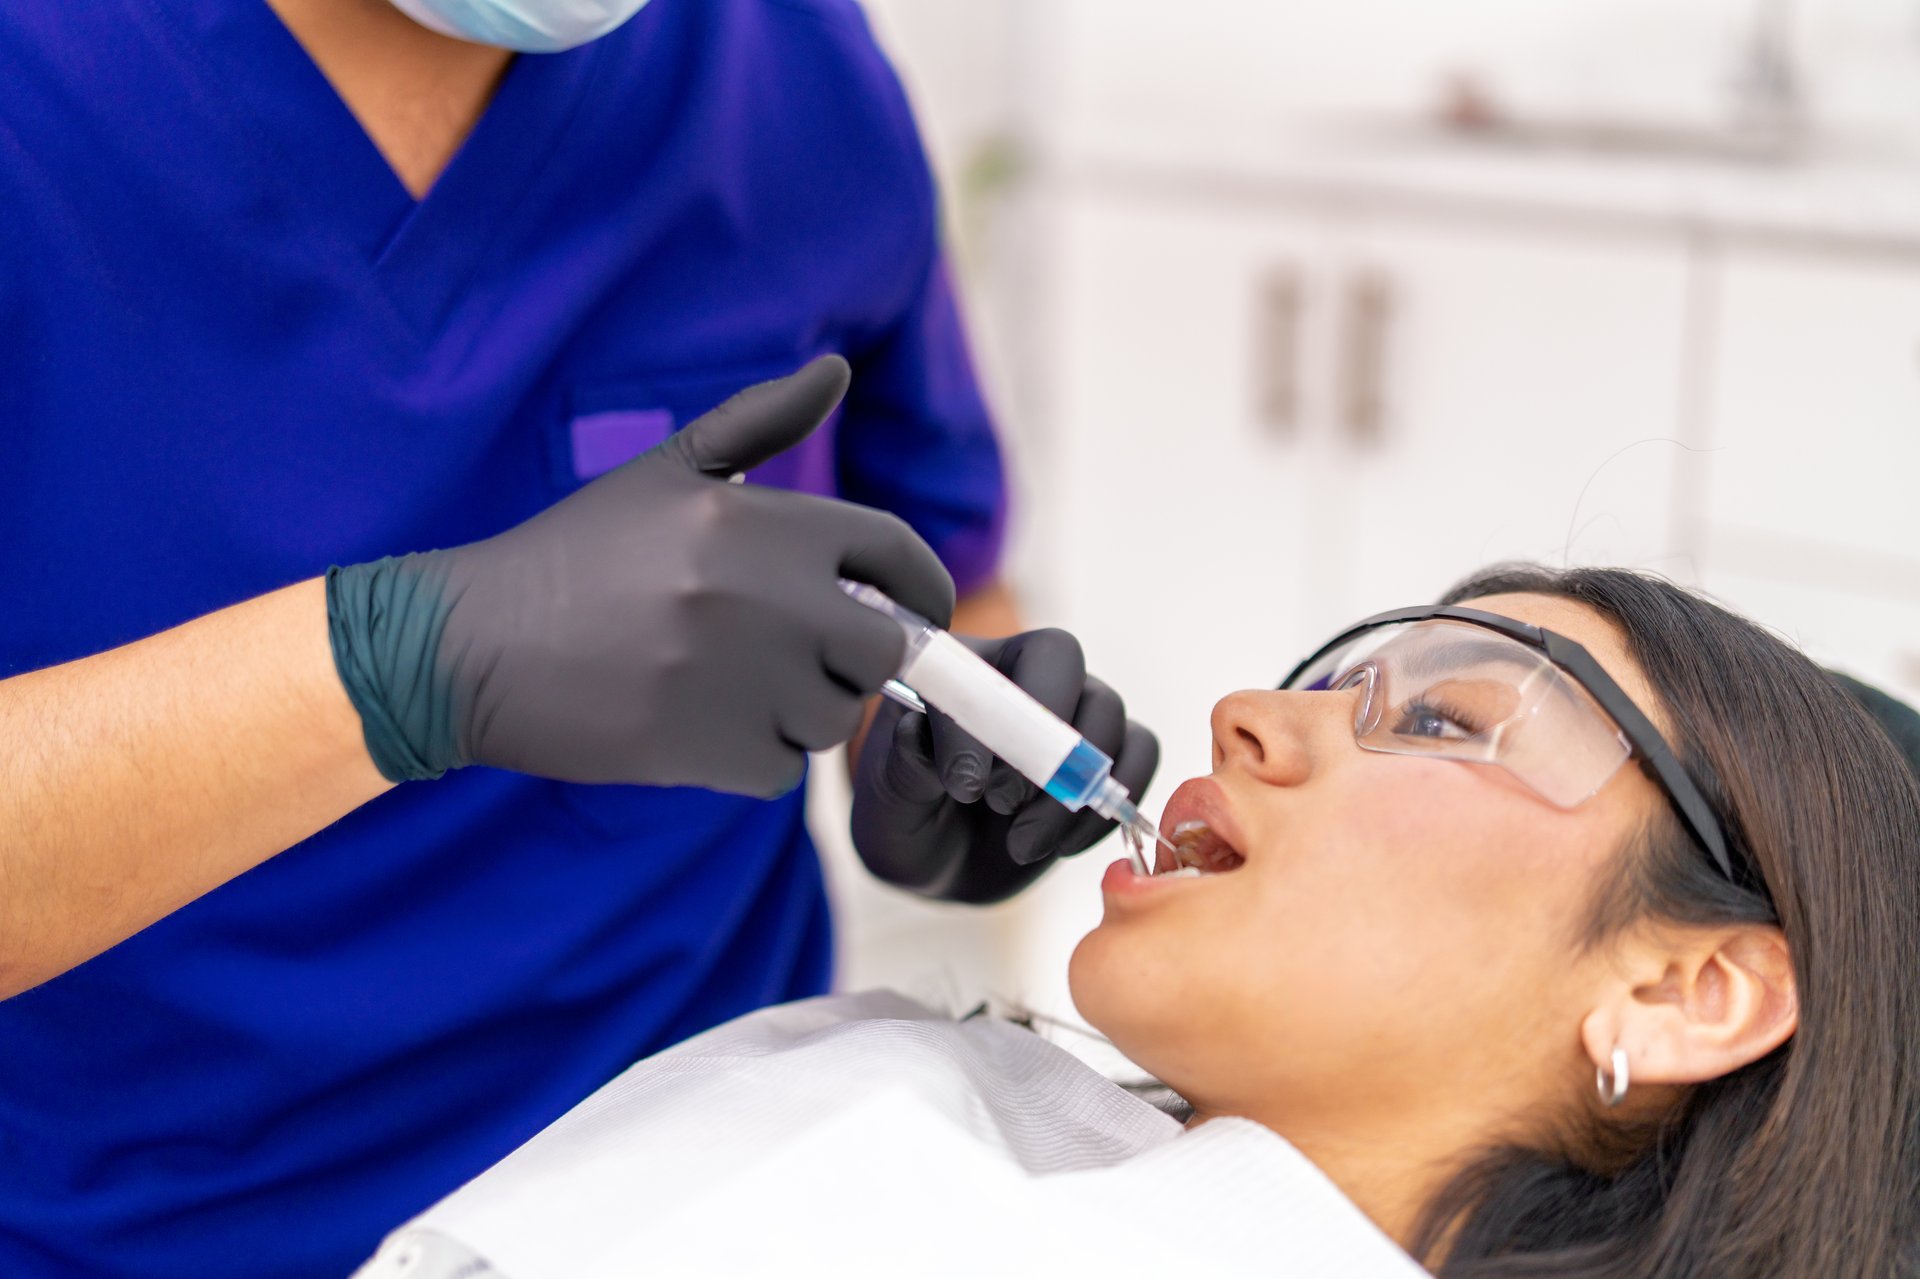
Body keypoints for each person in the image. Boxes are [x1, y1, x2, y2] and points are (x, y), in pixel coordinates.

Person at [0, 2, 1154, 1276]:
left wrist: (944, 745)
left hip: (716, 1205)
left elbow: (942, 575)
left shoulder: (788, 63)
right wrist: (401, 665)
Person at [361, 566, 1920, 1278]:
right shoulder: (921, 1105)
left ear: (1689, 987)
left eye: (1444, 720)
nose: (1245, 715)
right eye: (1326, 676)